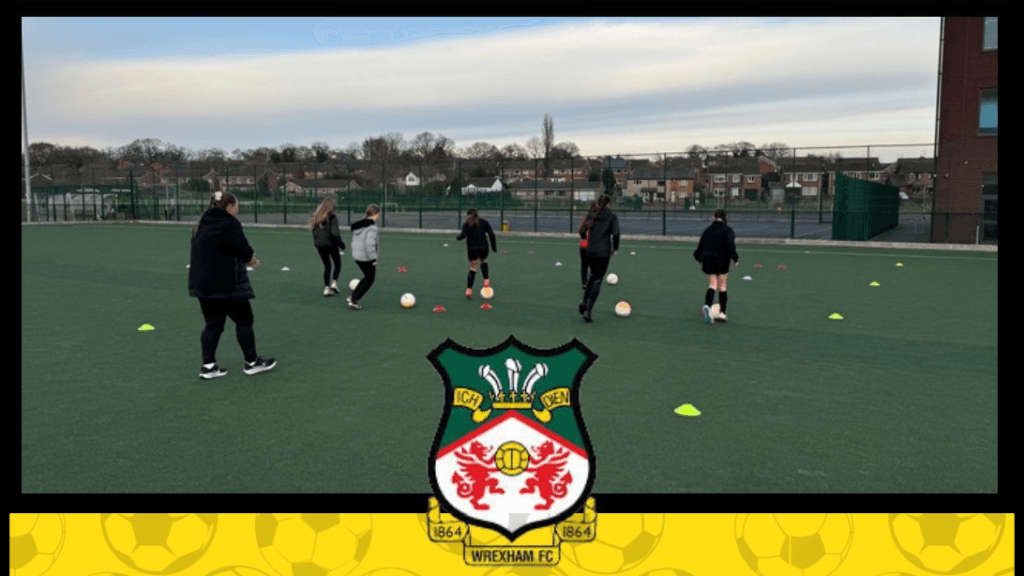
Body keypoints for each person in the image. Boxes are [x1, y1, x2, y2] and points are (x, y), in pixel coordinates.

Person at [188, 191, 276, 379]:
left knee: (213, 324)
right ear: (231, 207)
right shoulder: (229, 224)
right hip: (226, 283)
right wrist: (251, 260)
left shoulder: (201, 224)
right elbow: (243, 249)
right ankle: (252, 362)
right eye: (237, 205)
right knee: (244, 320)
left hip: (202, 284)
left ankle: (208, 366)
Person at [693, 208, 739, 324]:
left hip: (708, 260)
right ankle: (722, 313)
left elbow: (701, 245)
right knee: (722, 286)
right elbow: (730, 247)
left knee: (712, 284)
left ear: (714, 217)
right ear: (725, 218)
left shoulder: (707, 230)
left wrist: (698, 257)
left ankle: (707, 306)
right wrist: (735, 259)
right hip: (722, 260)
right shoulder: (728, 230)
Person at [578, 195, 620, 322]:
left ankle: (584, 301)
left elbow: (582, 231)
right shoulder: (612, 217)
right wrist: (615, 248)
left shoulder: (592, 215)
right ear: (608, 204)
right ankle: (588, 311)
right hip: (603, 252)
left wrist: (587, 239)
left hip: (590, 251)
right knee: (598, 279)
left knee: (592, 275)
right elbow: (616, 234)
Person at [456, 208, 498, 299]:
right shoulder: (484, 222)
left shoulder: (467, 224)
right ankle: (486, 280)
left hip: (472, 249)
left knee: (473, 268)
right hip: (483, 247)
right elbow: (492, 234)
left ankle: (469, 290)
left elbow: (463, 235)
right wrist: (494, 247)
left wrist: (458, 237)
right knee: (483, 260)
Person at [310, 196, 346, 297]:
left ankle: (326, 288)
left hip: (320, 245)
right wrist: (341, 244)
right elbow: (335, 233)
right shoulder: (332, 217)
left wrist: (317, 243)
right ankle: (334, 283)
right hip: (330, 244)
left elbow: (314, 232)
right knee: (337, 263)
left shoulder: (317, 217)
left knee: (327, 266)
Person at [347, 204, 381, 310]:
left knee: (367, 277)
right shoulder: (372, 228)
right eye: (379, 214)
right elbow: (369, 244)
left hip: (357, 256)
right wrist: (373, 259)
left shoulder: (359, 225)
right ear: (375, 215)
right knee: (370, 279)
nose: (380, 217)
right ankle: (354, 300)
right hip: (366, 258)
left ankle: (352, 297)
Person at [577, 202, 598, 290]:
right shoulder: (597, 220)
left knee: (584, 265)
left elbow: (581, 231)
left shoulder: (585, 219)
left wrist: (584, 237)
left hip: (583, 246)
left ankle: (584, 283)